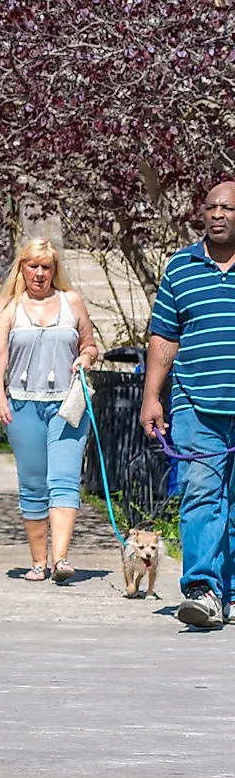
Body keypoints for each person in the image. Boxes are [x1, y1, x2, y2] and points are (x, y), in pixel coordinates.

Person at [144, 181, 235, 628]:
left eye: (228, 208)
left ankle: (230, 593)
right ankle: (203, 589)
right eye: (211, 207)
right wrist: (151, 398)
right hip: (196, 404)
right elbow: (164, 337)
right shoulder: (180, 267)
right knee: (202, 495)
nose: (218, 214)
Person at [0, 237, 98, 585]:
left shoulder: (72, 302)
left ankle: (61, 559)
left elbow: (90, 344)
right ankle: (38, 561)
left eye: (46, 267)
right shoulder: (9, 308)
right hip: (23, 404)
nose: (39, 273)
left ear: (55, 270)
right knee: (34, 484)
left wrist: (85, 357)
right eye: (33, 266)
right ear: (22, 267)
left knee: (65, 479)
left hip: (67, 405)